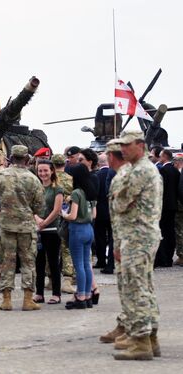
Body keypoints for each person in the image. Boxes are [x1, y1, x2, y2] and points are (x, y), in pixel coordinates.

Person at [110, 130, 162, 360]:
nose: (123, 149)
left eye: (127, 145)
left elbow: (120, 202)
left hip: (138, 236)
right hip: (139, 235)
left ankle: (141, 341)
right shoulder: (143, 168)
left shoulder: (141, 170)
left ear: (140, 145)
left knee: (136, 288)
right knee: (143, 286)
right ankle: (150, 338)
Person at [0, 145, 44, 311]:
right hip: (26, 225)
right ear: (27, 159)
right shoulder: (33, 178)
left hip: (5, 224)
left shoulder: (0, 175)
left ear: (10, 158)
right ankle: (28, 299)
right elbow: (40, 206)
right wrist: (29, 211)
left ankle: (6, 299)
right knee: (28, 262)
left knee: (7, 261)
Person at [99, 139, 130, 343]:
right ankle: (127, 326)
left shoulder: (133, 175)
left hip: (135, 240)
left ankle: (140, 335)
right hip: (125, 239)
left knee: (136, 288)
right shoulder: (121, 175)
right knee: (128, 288)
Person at [61, 163, 97, 310]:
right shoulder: (91, 191)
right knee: (87, 264)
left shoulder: (76, 193)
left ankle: (80, 296)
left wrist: (63, 214)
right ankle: (88, 295)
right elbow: (94, 214)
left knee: (78, 265)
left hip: (77, 230)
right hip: (89, 228)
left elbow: (73, 215)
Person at [33, 160, 63, 304]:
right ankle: (39, 292)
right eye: (40, 171)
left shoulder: (57, 189)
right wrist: (38, 219)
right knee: (38, 263)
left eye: (45, 170)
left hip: (52, 230)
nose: (43, 173)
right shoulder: (36, 188)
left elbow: (57, 210)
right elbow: (31, 206)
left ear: (52, 171)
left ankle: (56, 293)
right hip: (38, 231)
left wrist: (44, 223)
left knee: (53, 263)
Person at [51, 154, 76, 294]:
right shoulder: (71, 179)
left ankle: (50, 279)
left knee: (52, 249)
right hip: (66, 216)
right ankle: (67, 279)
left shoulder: (50, 179)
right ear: (64, 164)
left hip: (51, 217)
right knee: (66, 248)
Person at [155, 149, 180, 267]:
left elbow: (161, 189)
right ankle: (169, 257)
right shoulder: (176, 171)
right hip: (173, 205)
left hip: (164, 205)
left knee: (163, 231)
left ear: (164, 156)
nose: (159, 158)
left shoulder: (163, 170)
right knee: (170, 232)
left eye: (160, 156)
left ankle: (163, 258)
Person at [94, 153, 115, 272]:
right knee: (113, 238)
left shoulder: (96, 175)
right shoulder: (115, 173)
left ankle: (101, 260)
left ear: (98, 163)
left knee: (100, 237)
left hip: (100, 211)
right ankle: (111, 263)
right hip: (112, 210)